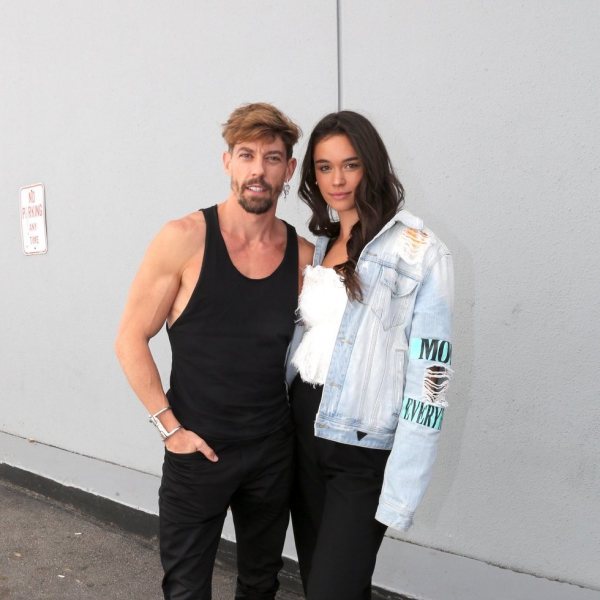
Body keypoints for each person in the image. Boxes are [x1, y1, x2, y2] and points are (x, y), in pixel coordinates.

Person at [115, 102, 313, 600]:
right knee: (185, 589)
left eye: (272, 158)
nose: (257, 170)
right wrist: (170, 428)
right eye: (246, 155)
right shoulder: (183, 239)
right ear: (227, 162)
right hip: (197, 450)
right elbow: (130, 338)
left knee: (260, 585)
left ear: (288, 169)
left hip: (271, 450)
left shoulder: (302, 257)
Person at [286, 111, 454, 599]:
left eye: (350, 164)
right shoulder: (319, 246)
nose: (337, 180)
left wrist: (405, 482)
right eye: (323, 167)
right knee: (324, 582)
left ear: (372, 167)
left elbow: (432, 376)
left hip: (361, 447)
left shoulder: (421, 252)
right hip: (302, 434)